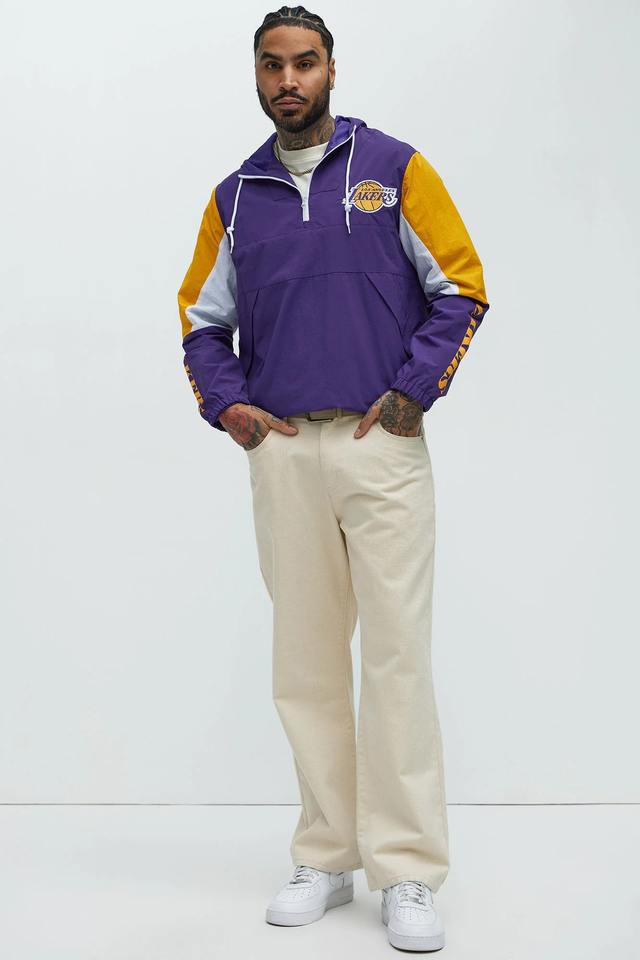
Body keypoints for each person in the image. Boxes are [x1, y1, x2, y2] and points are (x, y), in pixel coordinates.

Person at [177, 5, 490, 952]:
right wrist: (231, 409)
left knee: (396, 656)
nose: (289, 81)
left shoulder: (394, 169)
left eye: (305, 63)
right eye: (272, 65)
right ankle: (325, 853)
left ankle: (407, 868)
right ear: (256, 75)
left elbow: (462, 285)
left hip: (379, 444)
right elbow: (201, 321)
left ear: (332, 69)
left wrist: (411, 394)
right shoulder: (236, 198)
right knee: (305, 662)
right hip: (284, 451)